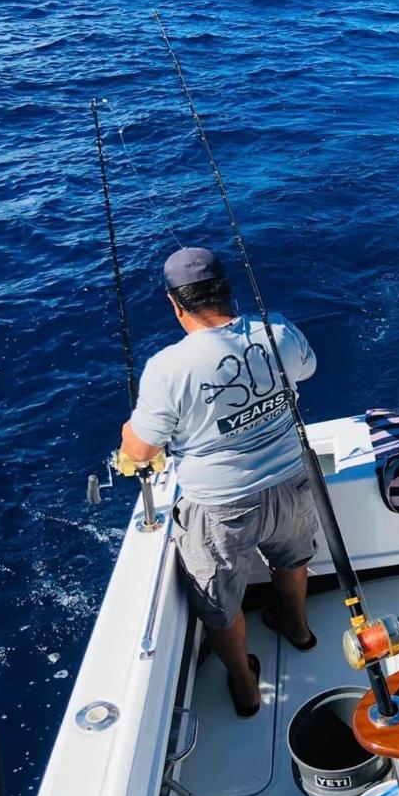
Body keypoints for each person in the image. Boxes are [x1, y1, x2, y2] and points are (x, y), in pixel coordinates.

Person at [117, 247, 320, 717]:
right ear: (227, 288)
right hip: (292, 480)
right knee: (292, 560)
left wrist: (131, 432)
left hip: (219, 507)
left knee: (219, 606)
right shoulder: (280, 330)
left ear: (176, 304)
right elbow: (306, 370)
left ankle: (248, 690)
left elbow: (141, 451)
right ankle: (299, 629)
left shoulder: (167, 368)